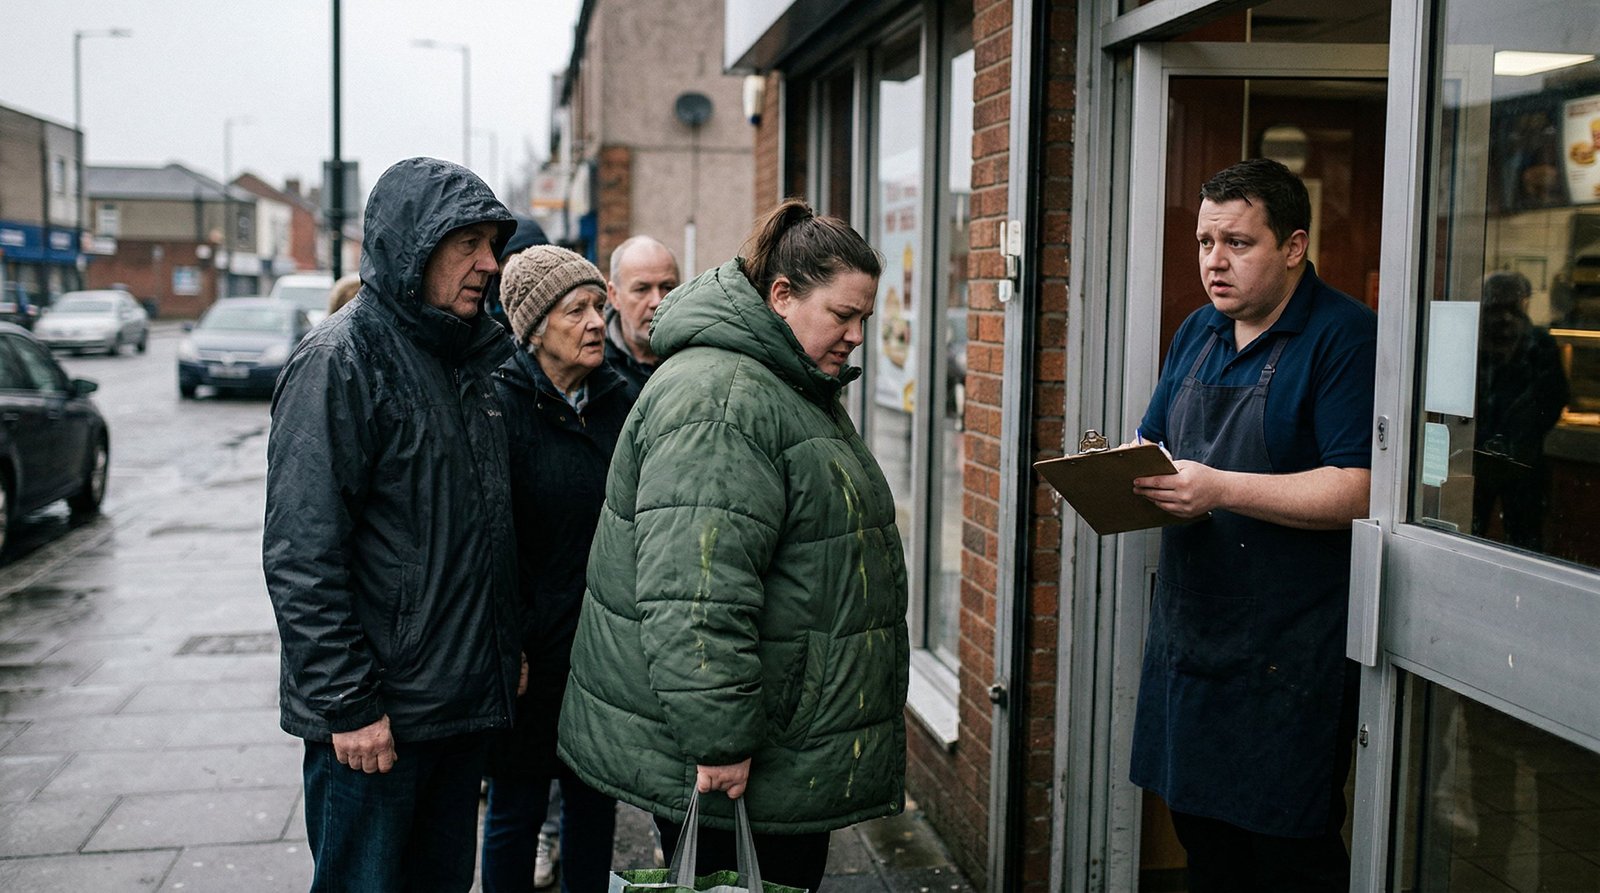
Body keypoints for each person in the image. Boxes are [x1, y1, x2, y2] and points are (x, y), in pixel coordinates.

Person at [558, 199, 909, 892]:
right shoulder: (722, 399)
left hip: (776, 739)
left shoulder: (774, 381)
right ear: (781, 295)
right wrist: (720, 741)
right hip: (737, 756)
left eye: (865, 317)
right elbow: (694, 592)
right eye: (843, 314)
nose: (858, 335)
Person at [263, 156, 526, 893]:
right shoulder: (339, 362)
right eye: (467, 243)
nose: (489, 263)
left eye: (491, 243)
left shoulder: (467, 356)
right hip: (375, 727)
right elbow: (301, 553)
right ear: (415, 245)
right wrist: (349, 704)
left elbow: (483, 527)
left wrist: (505, 648)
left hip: (455, 711)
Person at [1128, 158, 1377, 892]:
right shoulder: (1197, 331)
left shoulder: (1344, 338)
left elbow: (1358, 488)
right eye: (1205, 242)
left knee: (1288, 854)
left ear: (1294, 246)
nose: (1214, 262)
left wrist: (1220, 487)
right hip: (1192, 636)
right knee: (1202, 840)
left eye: (1237, 243)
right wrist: (1114, 477)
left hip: (1288, 655)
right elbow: (1156, 444)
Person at [480, 245, 630, 893]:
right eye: (577, 309)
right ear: (536, 327)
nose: (597, 321)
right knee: (515, 807)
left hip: (603, 648)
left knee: (595, 804)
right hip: (530, 655)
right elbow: (487, 540)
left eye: (600, 305)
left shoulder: (624, 400)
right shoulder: (499, 405)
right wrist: (505, 641)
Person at [1472, 270, 1568, 550]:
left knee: (1525, 542)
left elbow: (1553, 400)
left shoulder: (1540, 344)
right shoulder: (1472, 343)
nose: (1504, 319)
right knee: (1468, 534)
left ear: (1524, 305)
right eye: (1495, 309)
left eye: (1512, 309)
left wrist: (1523, 437)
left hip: (1523, 462)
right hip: (1474, 461)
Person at [603, 234, 680, 389]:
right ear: (614, 295)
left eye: (667, 287)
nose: (657, 301)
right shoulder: (592, 368)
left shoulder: (699, 356)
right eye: (642, 289)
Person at [485, 215, 550, 331]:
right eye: (515, 260)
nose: (525, 268)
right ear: (499, 267)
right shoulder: (485, 319)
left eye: (534, 258)